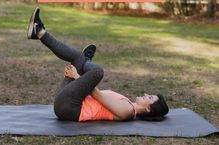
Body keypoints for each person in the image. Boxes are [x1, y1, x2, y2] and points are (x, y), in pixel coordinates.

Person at [27, 7, 169, 122]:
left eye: (149, 98)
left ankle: (87, 61)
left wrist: (77, 76)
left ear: (149, 109)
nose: (146, 94)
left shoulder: (127, 111)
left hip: (70, 108)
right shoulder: (127, 103)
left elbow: (97, 95)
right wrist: (78, 79)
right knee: (78, 57)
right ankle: (39, 32)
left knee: (98, 72)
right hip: (70, 100)